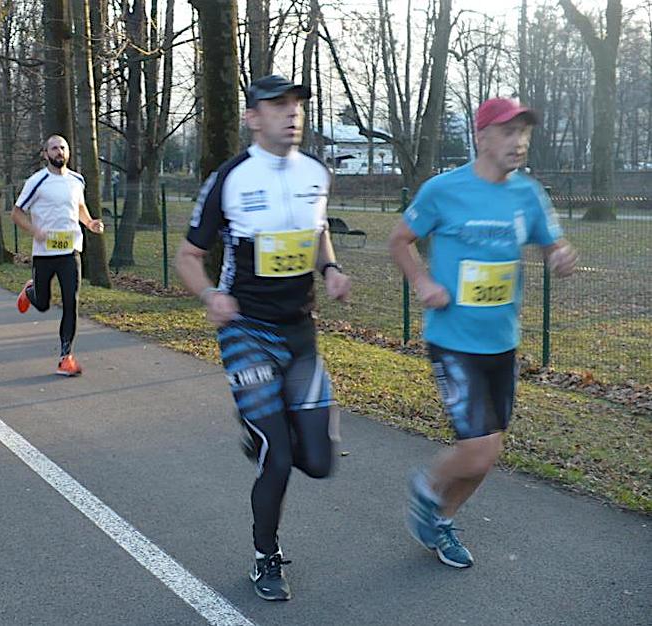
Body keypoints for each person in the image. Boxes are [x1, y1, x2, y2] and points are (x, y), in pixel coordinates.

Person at [174, 75, 351, 602]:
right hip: (246, 330)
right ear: (253, 117)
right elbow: (188, 256)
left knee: (318, 461)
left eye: (296, 104)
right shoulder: (230, 179)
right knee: (277, 456)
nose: (291, 113)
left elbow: (318, 231)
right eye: (277, 105)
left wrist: (331, 268)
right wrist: (211, 296)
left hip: (300, 333)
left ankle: (262, 426)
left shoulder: (316, 173)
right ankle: (265, 556)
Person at [388, 97, 578, 569]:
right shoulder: (443, 190)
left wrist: (559, 256)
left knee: (487, 455)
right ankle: (427, 487)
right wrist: (423, 282)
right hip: (453, 340)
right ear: (482, 137)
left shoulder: (528, 194)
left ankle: (442, 522)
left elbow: (552, 243)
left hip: (502, 343)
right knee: (476, 451)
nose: (519, 142)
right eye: (509, 132)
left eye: (524, 133)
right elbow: (400, 240)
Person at [11, 134, 105, 376]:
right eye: (54, 148)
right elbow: (16, 213)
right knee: (43, 304)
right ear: (45, 154)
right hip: (44, 253)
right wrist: (35, 231)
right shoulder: (37, 181)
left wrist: (90, 223)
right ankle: (30, 291)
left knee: (71, 302)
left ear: (68, 152)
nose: (59, 152)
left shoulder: (77, 180)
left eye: (63, 147)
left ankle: (66, 357)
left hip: (70, 251)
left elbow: (79, 207)